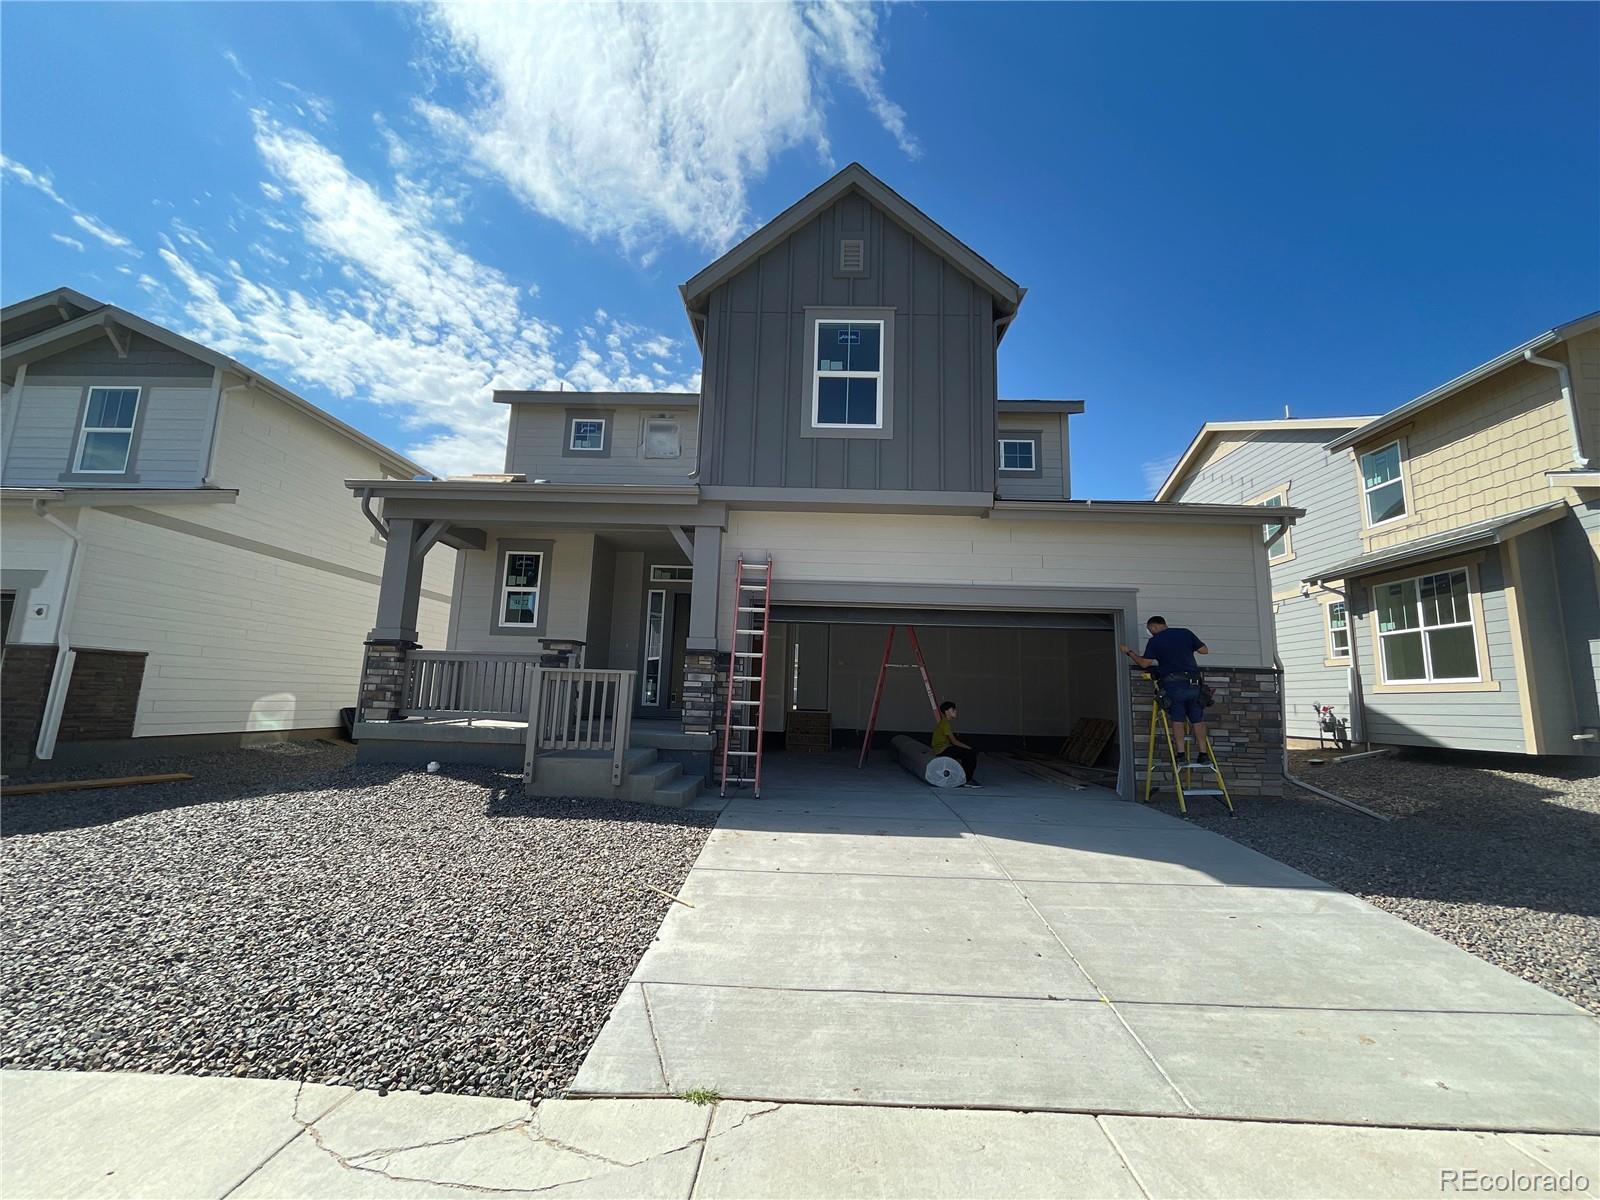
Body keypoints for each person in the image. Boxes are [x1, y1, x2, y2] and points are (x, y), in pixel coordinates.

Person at [1120, 616, 1212, 763]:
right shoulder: (1185, 633)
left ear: (1154, 627)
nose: (1151, 632)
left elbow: (1144, 663)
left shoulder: (1155, 640)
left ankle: (1181, 754)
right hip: (1193, 683)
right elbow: (1204, 650)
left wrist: (1128, 652)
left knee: (1177, 719)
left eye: (1150, 630)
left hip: (1173, 685)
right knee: (1197, 719)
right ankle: (1203, 754)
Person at [931, 700, 982, 788]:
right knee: (970, 754)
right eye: (953, 710)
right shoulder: (945, 723)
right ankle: (966, 780)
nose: (955, 711)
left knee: (966, 753)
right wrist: (969, 748)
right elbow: (954, 742)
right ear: (947, 712)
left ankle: (963, 777)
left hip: (943, 749)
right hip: (942, 750)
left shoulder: (944, 723)